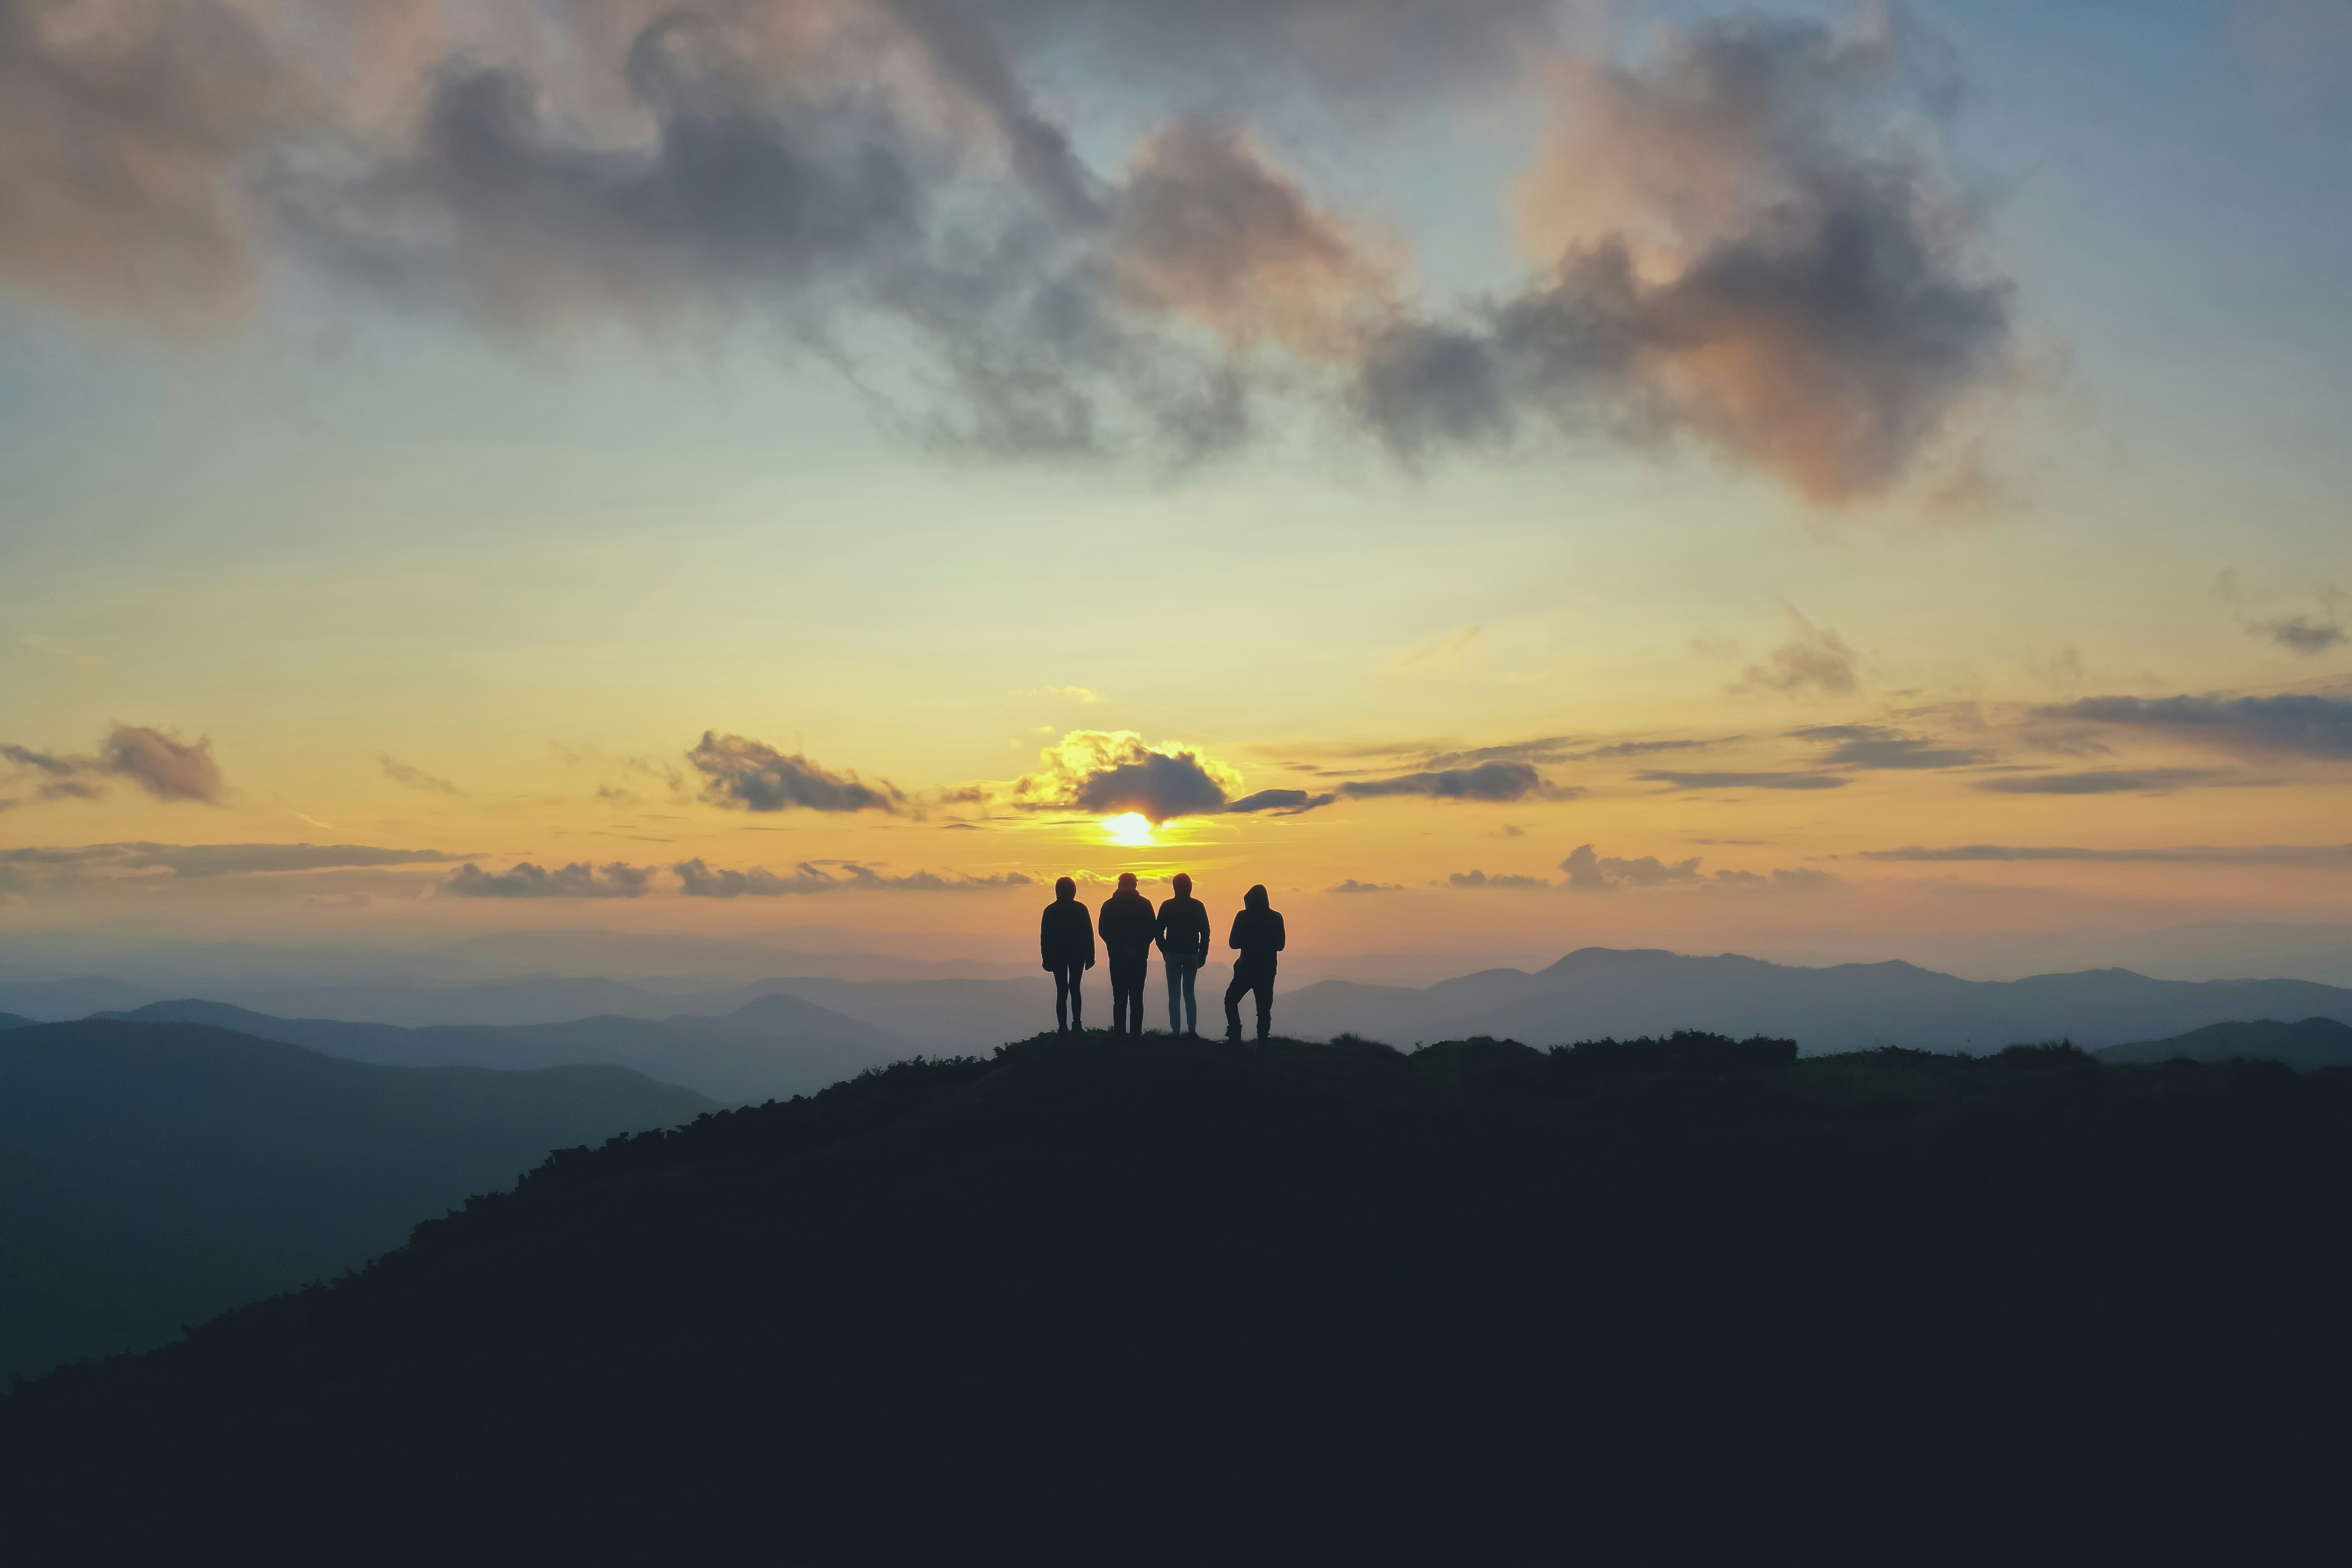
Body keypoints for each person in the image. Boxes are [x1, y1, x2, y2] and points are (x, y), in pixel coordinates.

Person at [1224, 883, 1286, 1052]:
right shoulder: (1276, 917)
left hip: (1245, 968)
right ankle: (1262, 1047)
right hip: (1267, 970)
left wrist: (1248, 939)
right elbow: (1280, 946)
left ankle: (1234, 1038)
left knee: (1231, 1000)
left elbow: (1233, 943)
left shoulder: (1243, 916)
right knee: (1264, 1010)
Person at [1096, 871, 1157, 1037]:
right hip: (1139, 957)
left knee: (1119, 998)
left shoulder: (1109, 905)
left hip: (1117, 957)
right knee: (1137, 998)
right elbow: (1152, 929)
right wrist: (1137, 948)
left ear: (1119, 884)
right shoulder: (1145, 904)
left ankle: (1120, 1035)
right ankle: (1136, 1036)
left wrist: (1118, 947)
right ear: (1135, 885)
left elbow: (1103, 930)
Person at [1154, 872, 1211, 1036]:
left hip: (1172, 953)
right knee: (1189, 993)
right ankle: (1192, 1031)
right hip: (1192, 953)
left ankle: (1176, 1032)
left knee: (1174, 994)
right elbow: (1205, 932)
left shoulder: (1167, 906)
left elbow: (1158, 931)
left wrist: (1164, 949)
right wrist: (1203, 954)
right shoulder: (1198, 906)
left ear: (1174, 888)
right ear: (1190, 887)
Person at [1039, 876, 1095, 1034]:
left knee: (1062, 991)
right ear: (1073, 891)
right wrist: (1090, 957)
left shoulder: (1050, 910)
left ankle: (1063, 1028)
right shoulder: (1081, 909)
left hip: (1057, 955)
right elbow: (1088, 934)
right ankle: (1077, 1025)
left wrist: (1046, 959)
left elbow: (1045, 937)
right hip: (1078, 954)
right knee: (1075, 989)